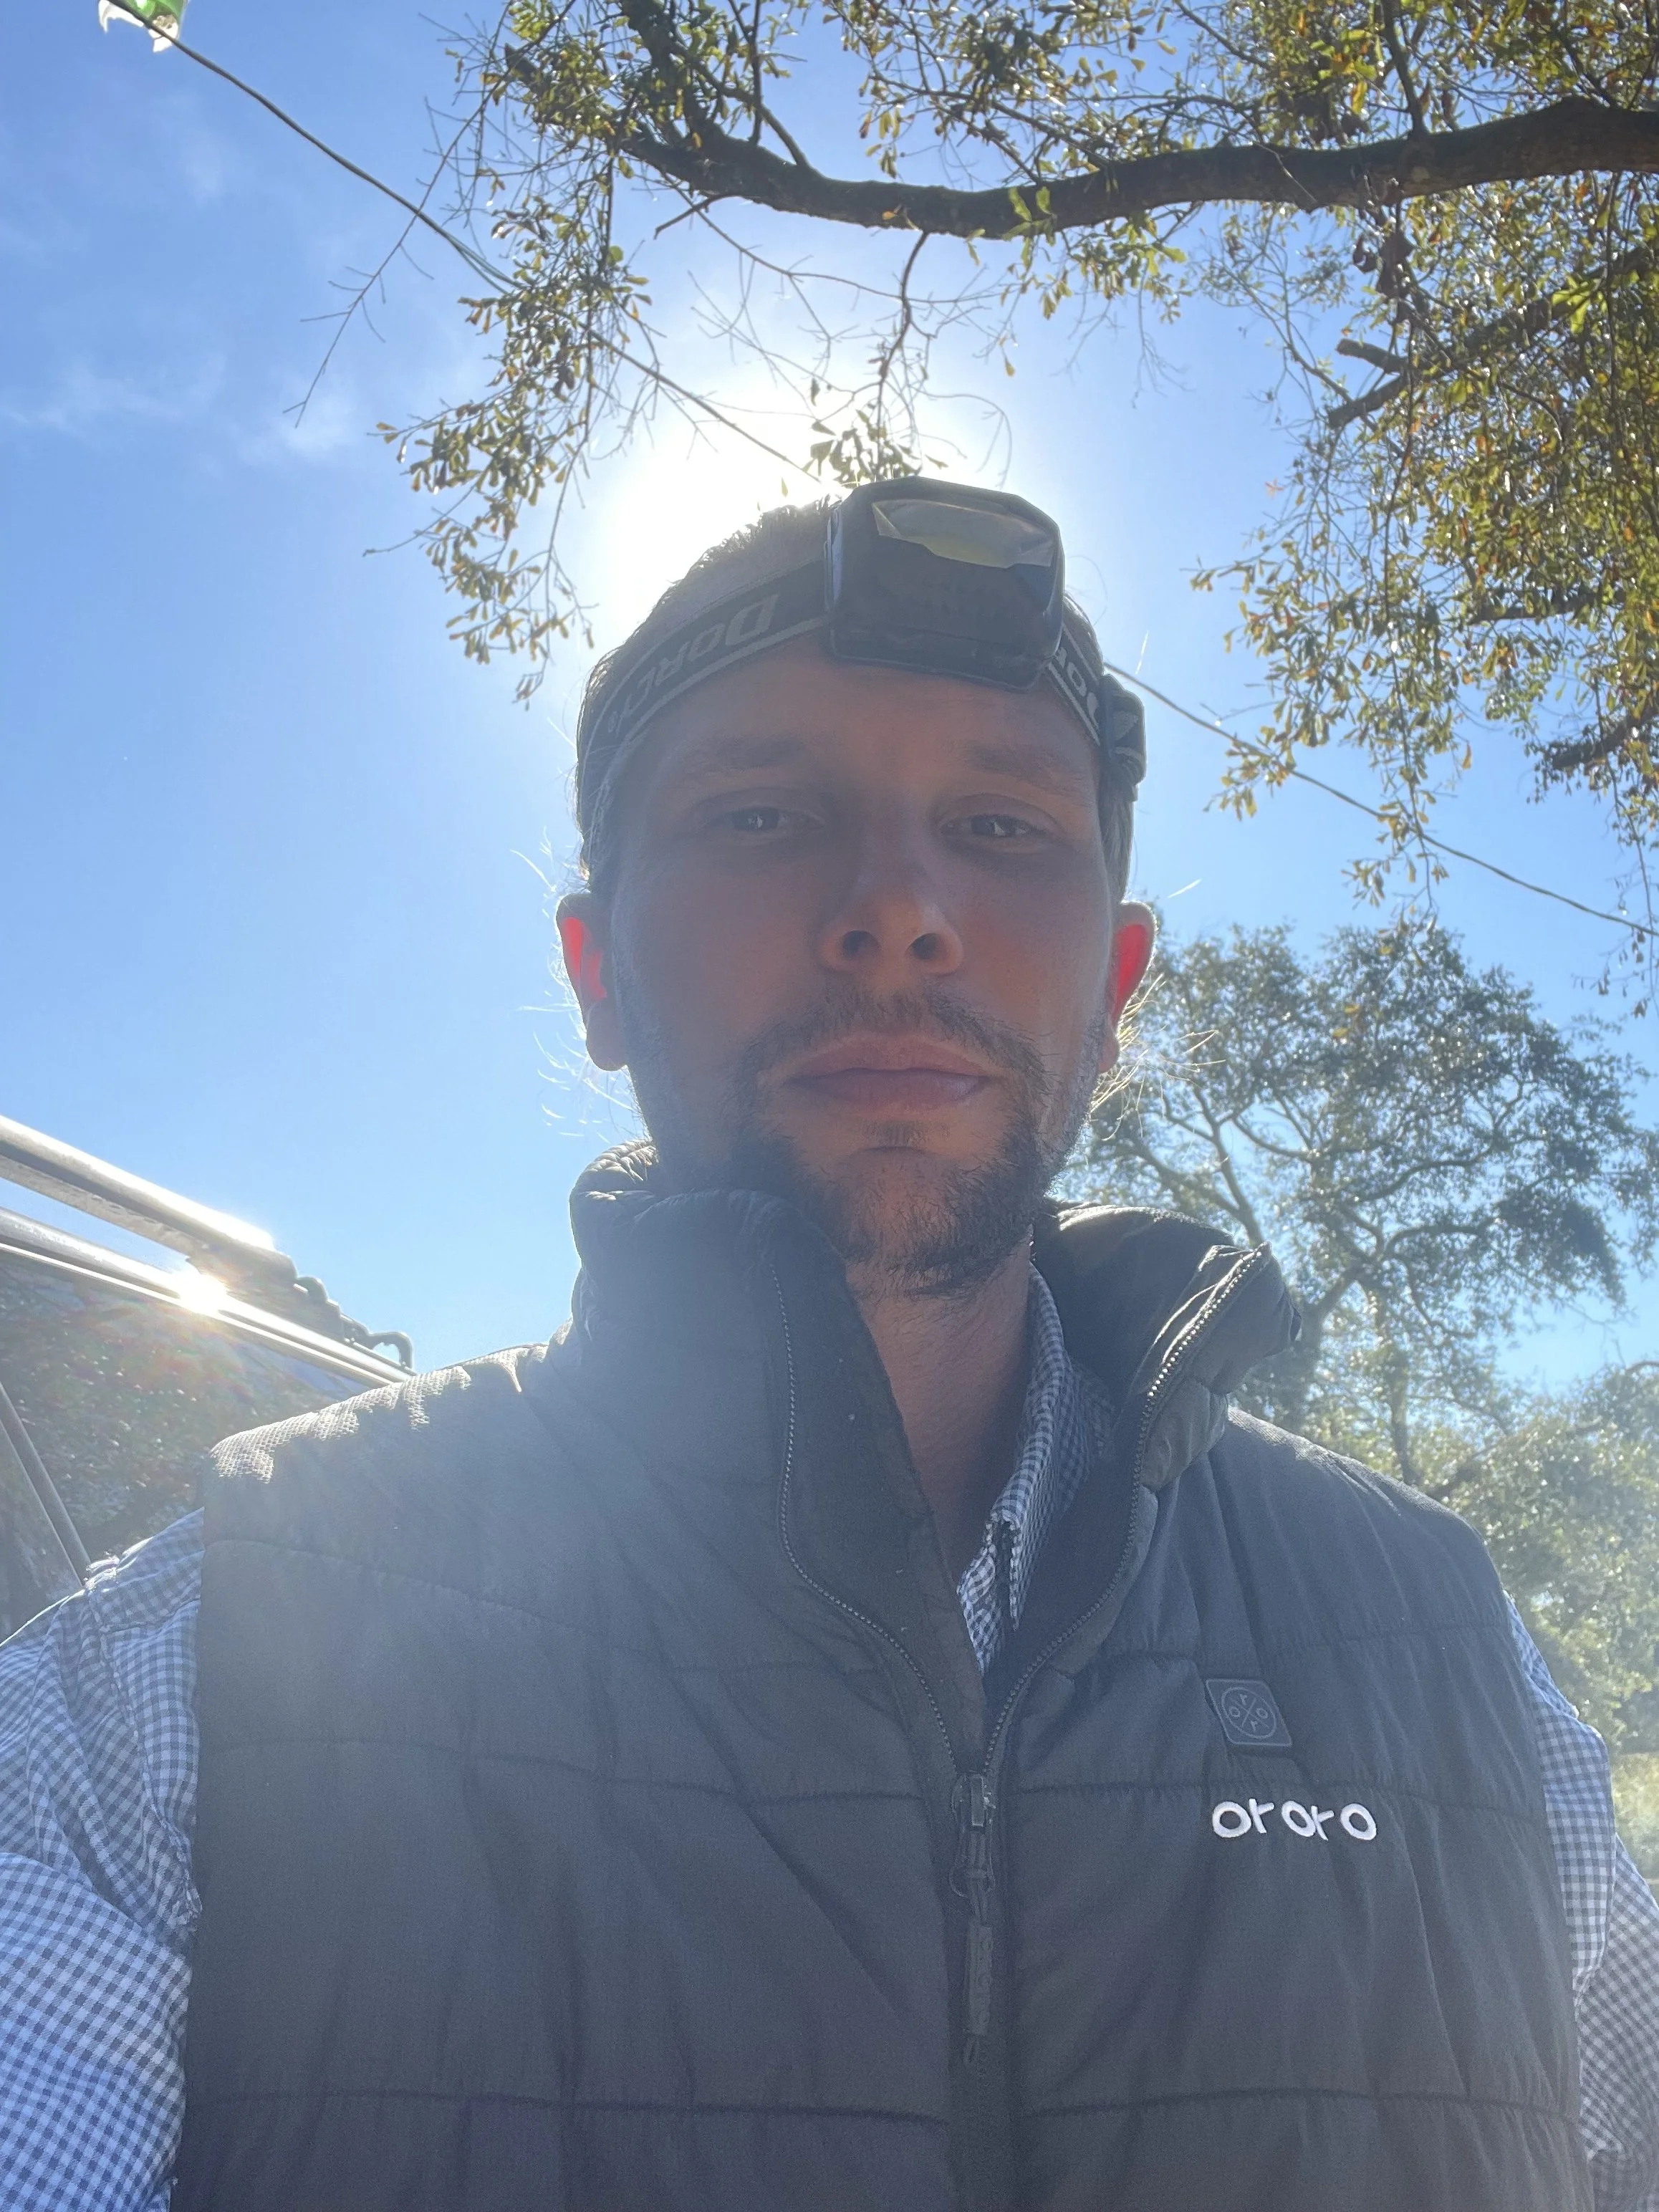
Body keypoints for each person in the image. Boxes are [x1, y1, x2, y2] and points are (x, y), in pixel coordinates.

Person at [1, 479, 1656, 2212]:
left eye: (1005, 828)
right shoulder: (179, 1696)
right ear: (596, 971)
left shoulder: (1450, 1656)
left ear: (1116, 985)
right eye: (765, 815)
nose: (899, 909)